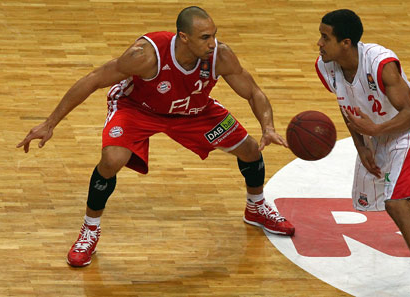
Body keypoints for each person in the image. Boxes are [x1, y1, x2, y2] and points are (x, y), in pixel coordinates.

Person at [17, 6, 295, 268]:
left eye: (214, 34)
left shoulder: (220, 56)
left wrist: (267, 126)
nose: (213, 43)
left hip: (191, 109)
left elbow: (253, 92)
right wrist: (50, 122)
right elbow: (94, 78)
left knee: (249, 150)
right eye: (205, 37)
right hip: (138, 109)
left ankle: (255, 208)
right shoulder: (145, 55)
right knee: (113, 159)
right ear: (183, 38)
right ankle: (90, 230)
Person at [315, 9, 410, 297]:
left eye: (325, 37)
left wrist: (375, 133)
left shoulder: (380, 64)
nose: (319, 43)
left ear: (346, 43)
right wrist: (360, 144)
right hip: (377, 128)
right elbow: (347, 104)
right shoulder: (325, 66)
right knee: (374, 200)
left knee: (396, 204)